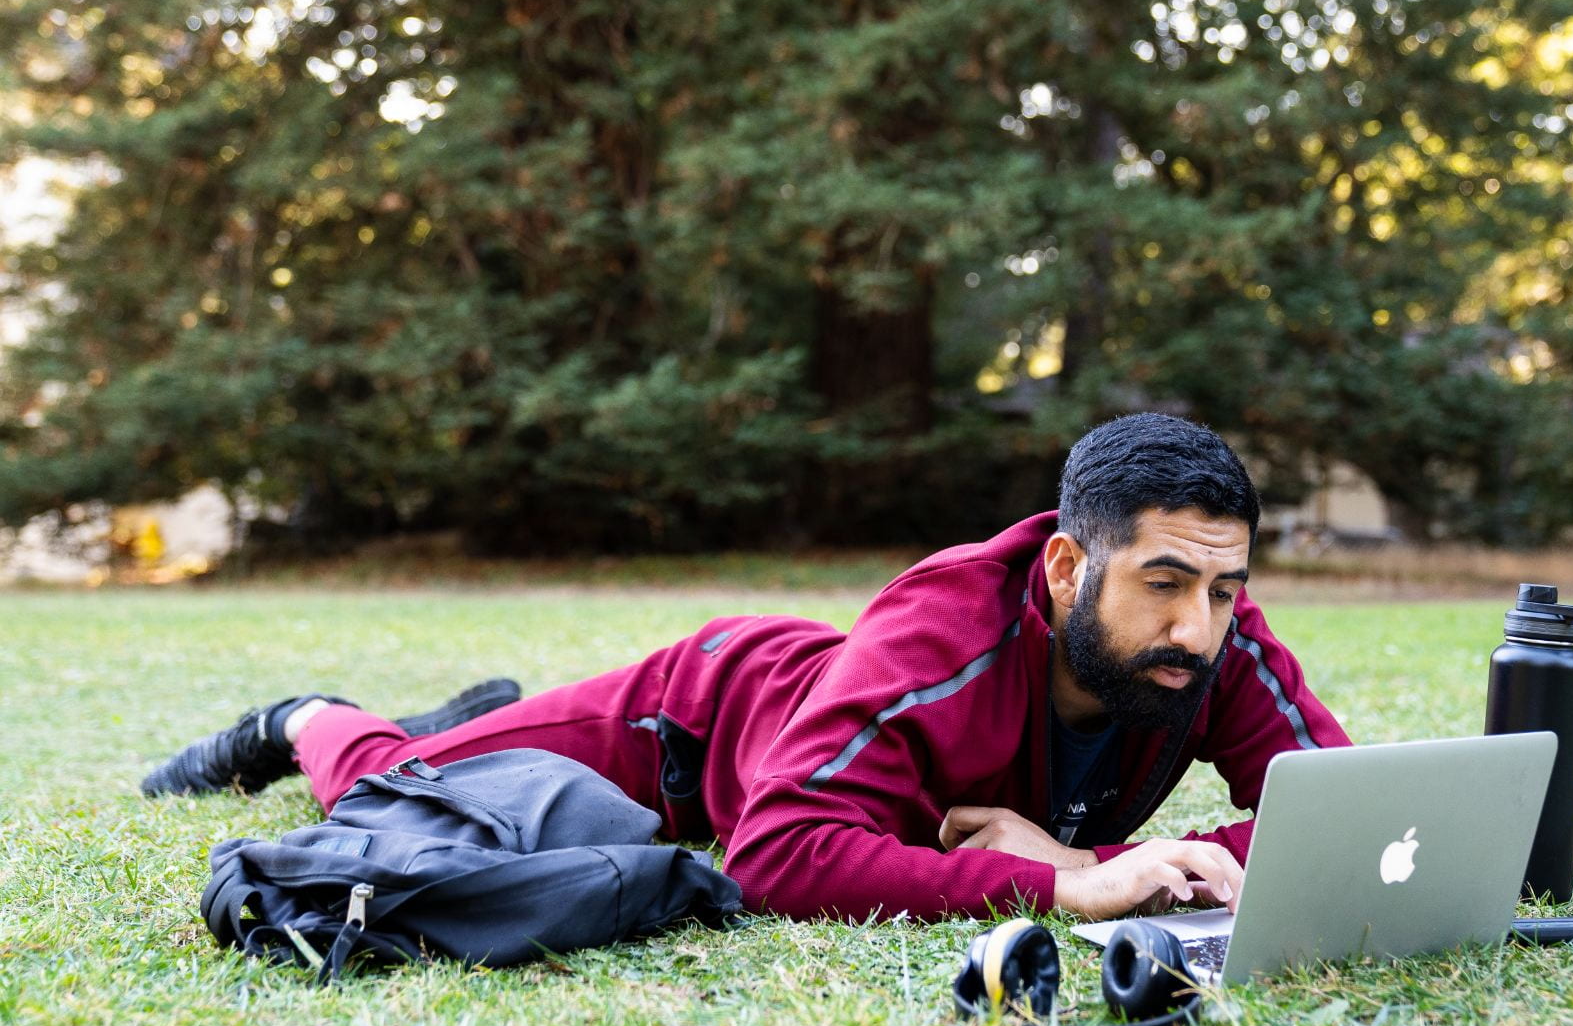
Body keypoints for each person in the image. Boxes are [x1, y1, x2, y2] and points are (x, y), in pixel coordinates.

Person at [142, 413, 1350, 920]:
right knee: (393, 789)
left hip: (829, 707)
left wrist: (1089, 857)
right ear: (1063, 570)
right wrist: (1066, 884)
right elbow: (776, 850)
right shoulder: (947, 637)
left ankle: (484, 715)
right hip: (700, 719)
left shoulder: (1213, 633)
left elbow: (1342, 809)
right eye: (1165, 584)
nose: (1199, 626)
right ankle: (312, 713)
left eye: (1224, 586)